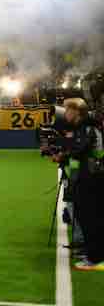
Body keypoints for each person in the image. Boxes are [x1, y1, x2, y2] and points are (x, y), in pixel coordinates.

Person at [57, 98, 104, 271]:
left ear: (77, 111)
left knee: (92, 219)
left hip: (92, 180)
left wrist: (63, 153)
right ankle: (91, 252)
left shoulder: (86, 128)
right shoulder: (82, 128)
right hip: (87, 179)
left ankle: (96, 258)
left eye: (68, 110)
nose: (65, 113)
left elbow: (78, 151)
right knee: (86, 218)